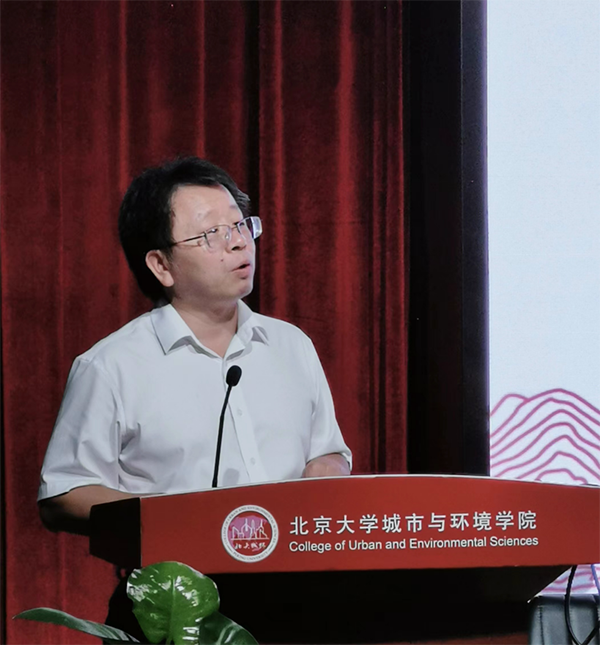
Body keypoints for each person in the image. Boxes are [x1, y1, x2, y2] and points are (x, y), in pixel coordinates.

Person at [38, 157, 351, 536]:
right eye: (212, 233)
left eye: (240, 225)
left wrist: (324, 473)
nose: (239, 242)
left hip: (293, 565)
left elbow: (328, 451)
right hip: (177, 571)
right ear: (161, 265)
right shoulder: (111, 366)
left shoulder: (291, 345)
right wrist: (173, 521)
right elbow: (64, 493)